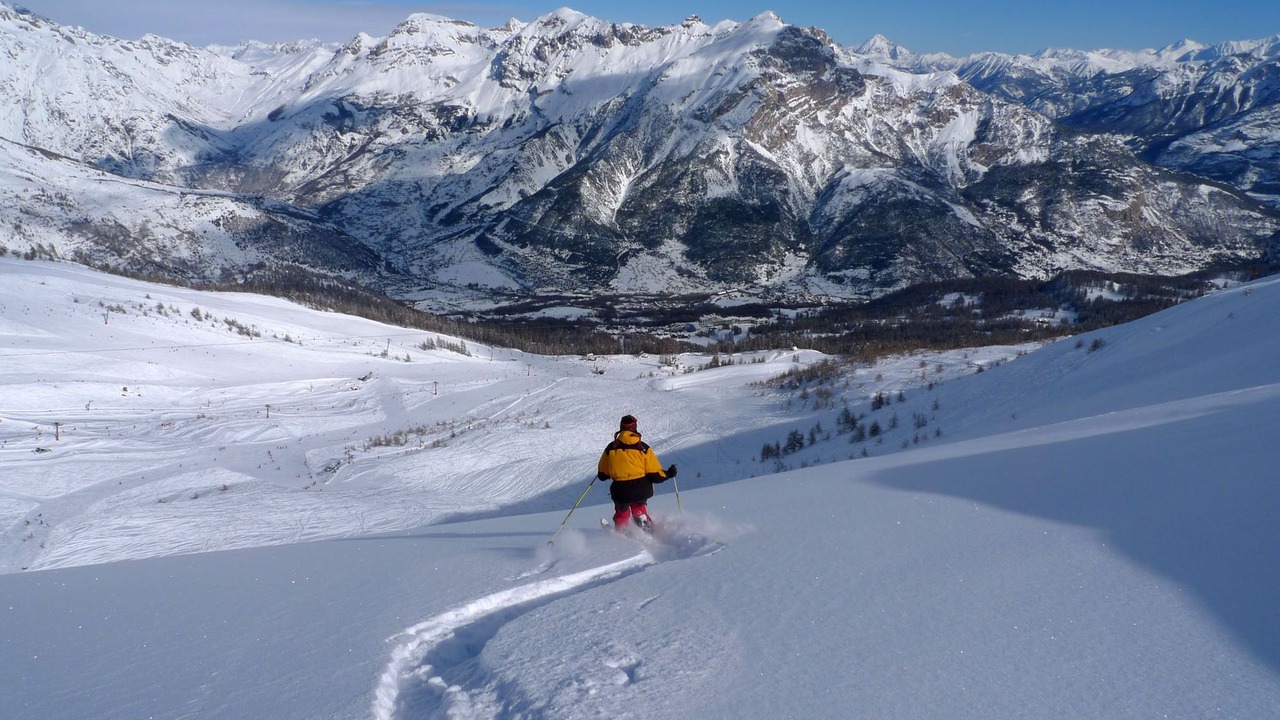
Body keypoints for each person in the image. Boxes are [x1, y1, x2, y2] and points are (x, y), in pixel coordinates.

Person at [597, 414, 677, 532]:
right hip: (642, 488)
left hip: (621, 491)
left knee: (622, 512)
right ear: (635, 428)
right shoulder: (643, 448)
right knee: (639, 506)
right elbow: (655, 475)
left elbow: (602, 475)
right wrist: (669, 474)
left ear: (621, 427)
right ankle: (642, 520)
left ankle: (621, 529)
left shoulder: (611, 448)